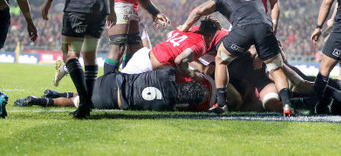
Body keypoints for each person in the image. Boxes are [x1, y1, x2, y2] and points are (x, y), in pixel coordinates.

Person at [51, 0, 167, 86]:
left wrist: (153, 13)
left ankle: (124, 83)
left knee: (137, 50)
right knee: (119, 48)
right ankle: (105, 84)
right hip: (114, 8)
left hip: (130, 12)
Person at [179, 0, 294, 116]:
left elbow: (198, 11)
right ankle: (287, 105)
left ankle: (222, 104)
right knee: (275, 68)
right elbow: (257, 21)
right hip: (265, 28)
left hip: (243, 28)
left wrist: (185, 27)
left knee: (221, 60)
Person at [15, 67, 214, 112]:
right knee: (77, 102)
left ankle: (55, 92)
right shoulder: (168, 106)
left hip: (110, 81)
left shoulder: (167, 74)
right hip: (111, 101)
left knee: (85, 92)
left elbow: (171, 66)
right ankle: (40, 100)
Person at [121, 17, 221, 78]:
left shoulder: (184, 31)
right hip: (147, 66)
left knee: (115, 85)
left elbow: (169, 34)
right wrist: (194, 76)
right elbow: (179, 60)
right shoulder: (201, 44)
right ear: (210, 36)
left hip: (143, 55)